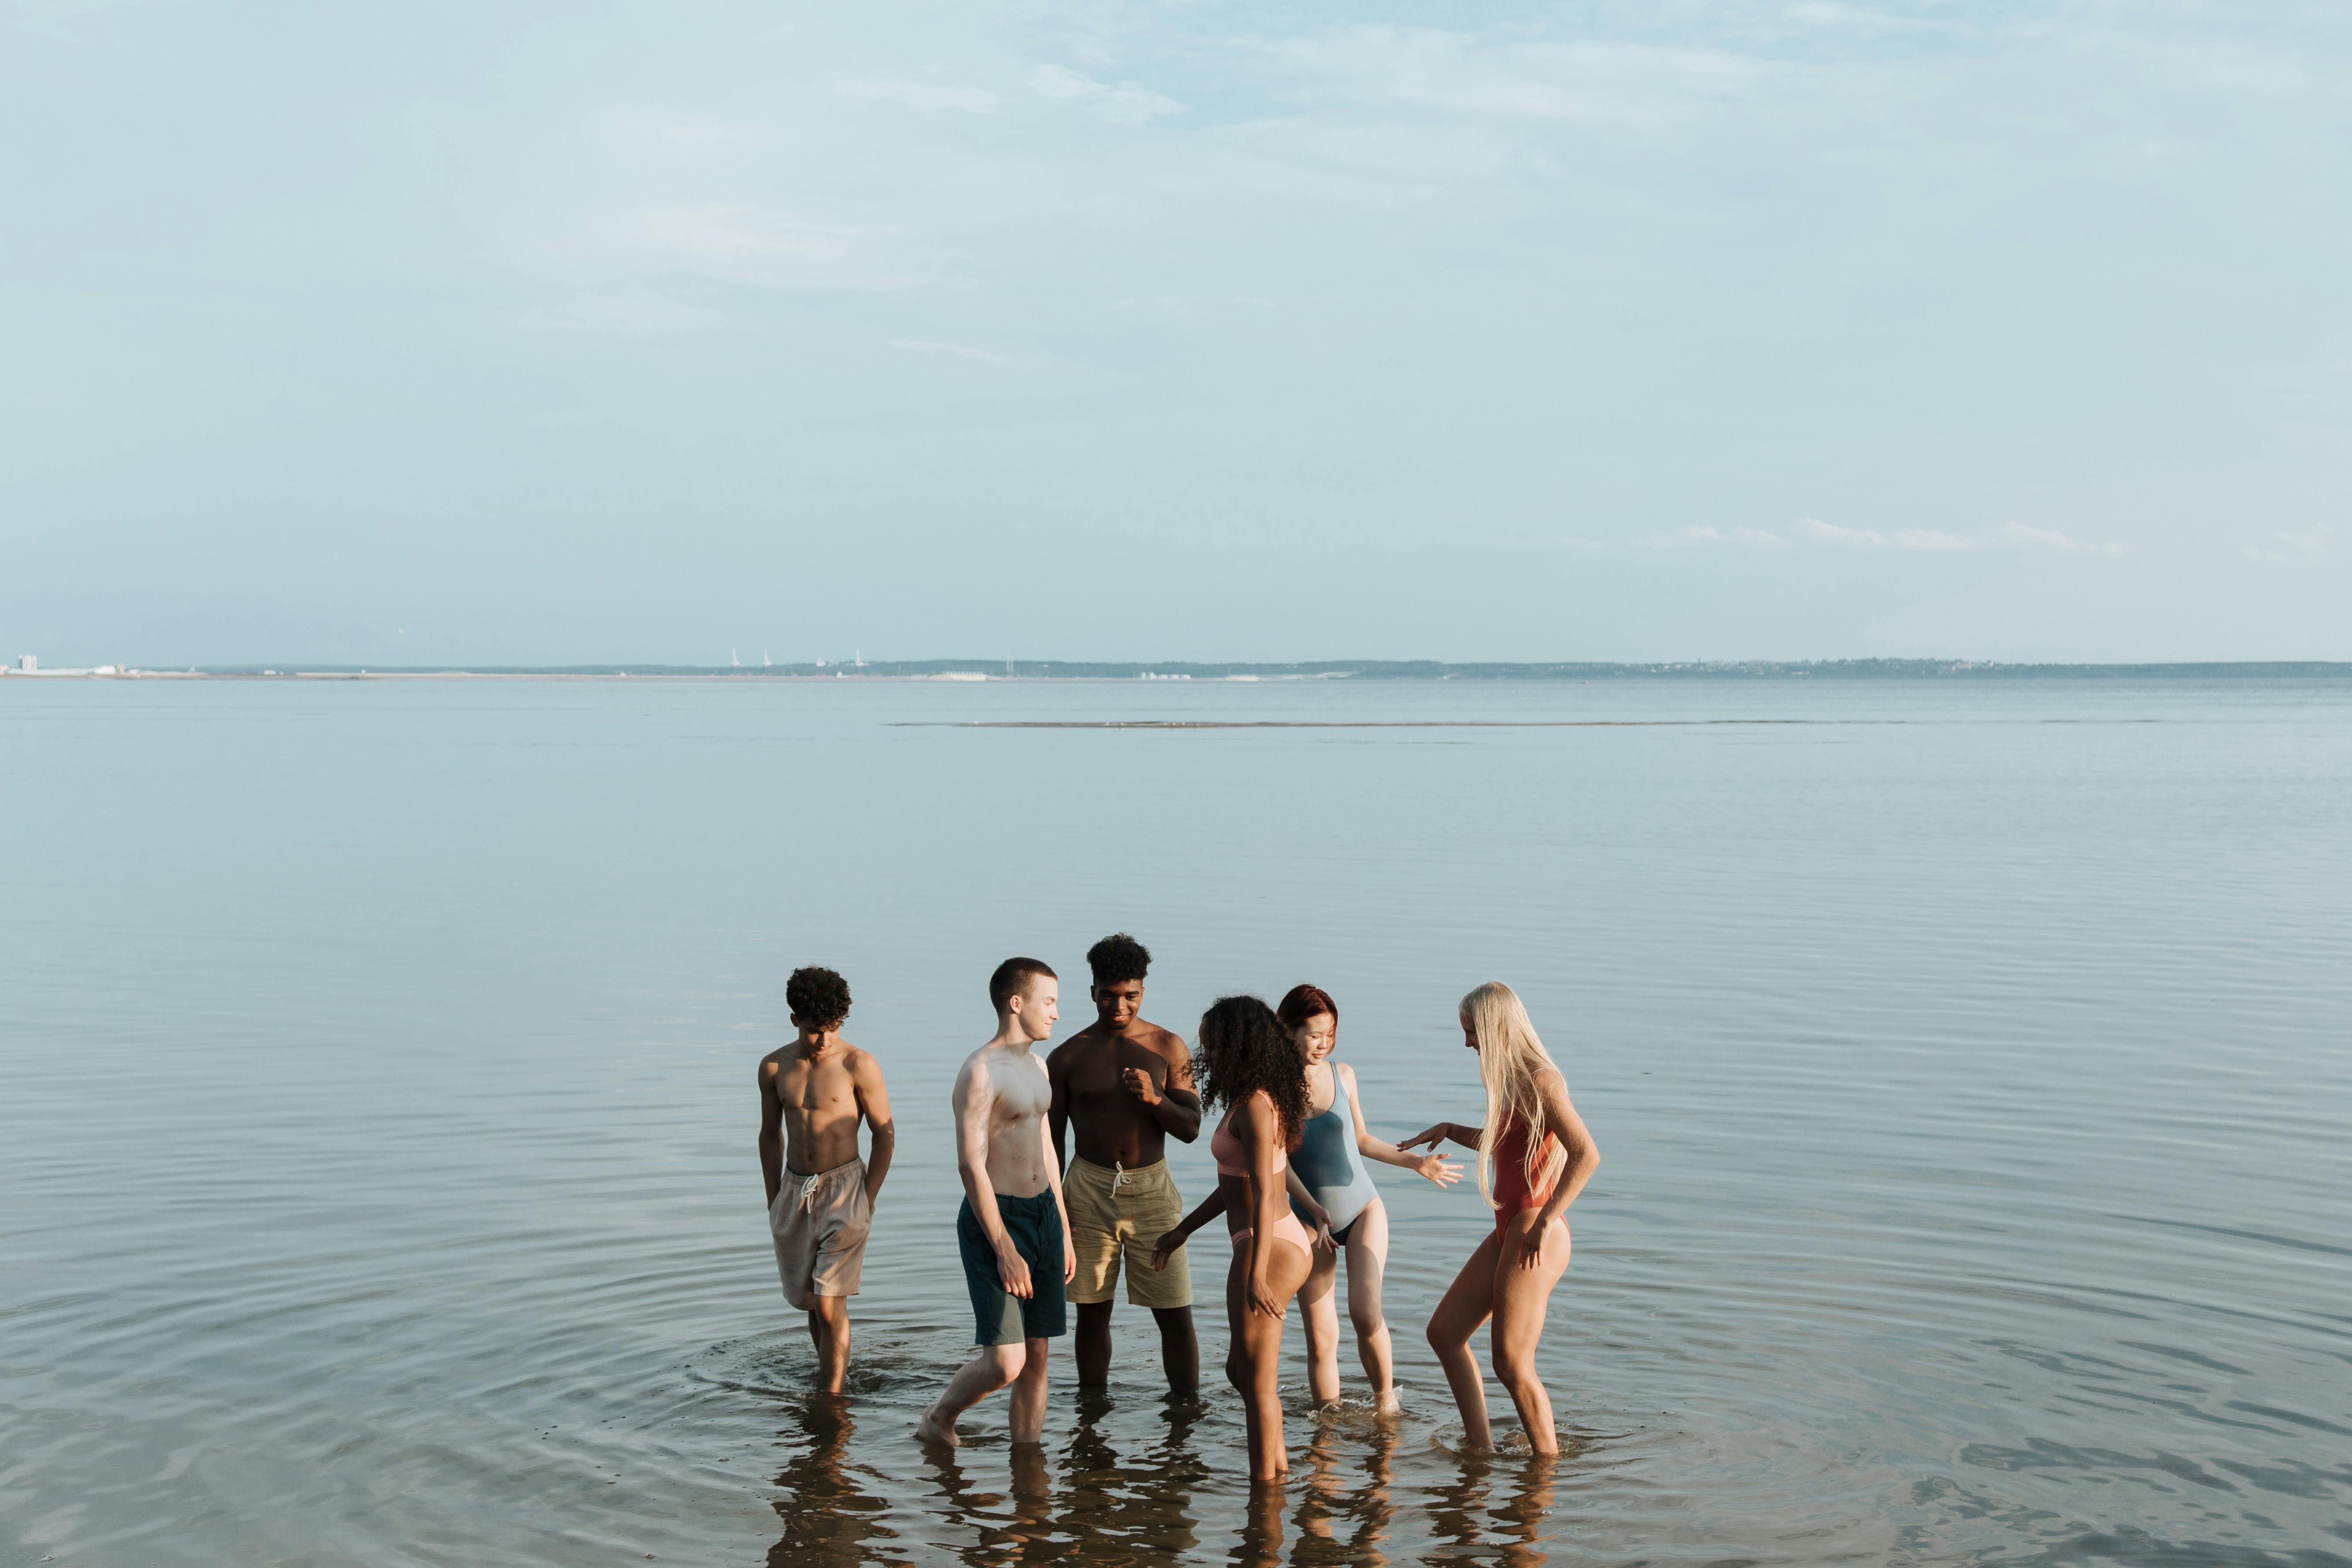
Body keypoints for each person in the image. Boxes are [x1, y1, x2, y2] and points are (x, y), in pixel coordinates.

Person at [1400, 983, 1600, 1455]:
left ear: (1493, 1027)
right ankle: (1480, 1449)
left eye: (1471, 1032)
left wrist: (1549, 1219)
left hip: (1535, 1226)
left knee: (1511, 1362)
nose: (1467, 1042)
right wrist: (1451, 1129)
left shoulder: (1543, 1080)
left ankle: (1544, 1468)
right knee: (1445, 1333)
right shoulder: (1509, 1079)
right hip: (1511, 1225)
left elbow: (1586, 1155)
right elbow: (1506, 1143)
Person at [1277, 984, 1463, 1413]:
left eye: (1330, 1033)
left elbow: (1361, 1139)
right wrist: (1317, 1214)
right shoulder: (1272, 1090)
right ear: (1286, 1032)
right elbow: (1278, 1165)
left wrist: (1416, 1162)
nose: (1324, 1043)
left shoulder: (1343, 1074)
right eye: (1313, 1034)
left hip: (1361, 1211)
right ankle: (1327, 1427)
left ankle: (1386, 1407)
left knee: (1364, 1312)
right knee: (1321, 1337)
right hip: (1307, 1218)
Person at [918, 958, 1076, 1448]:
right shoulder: (980, 1071)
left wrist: (1064, 1228)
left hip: (1044, 1214)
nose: (1055, 1013)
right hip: (997, 1219)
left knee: (1038, 1355)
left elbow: (1047, 1147)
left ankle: (1028, 1463)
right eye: (1047, 1002)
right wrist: (1004, 1247)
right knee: (1006, 1361)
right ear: (1017, 1003)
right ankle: (939, 1417)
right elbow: (970, 1164)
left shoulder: (1038, 1066)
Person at [1157, 995, 1316, 1482]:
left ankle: (1264, 1497)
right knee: (1242, 1372)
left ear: (1238, 1045)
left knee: (1255, 1378)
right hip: (1264, 1239)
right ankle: (1278, 1469)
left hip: (1268, 1244)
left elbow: (1268, 1192)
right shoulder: (1255, 1098)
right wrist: (1185, 1228)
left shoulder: (1254, 1104)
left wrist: (1254, 1271)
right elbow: (1237, 1182)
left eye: (1212, 1046)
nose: (1206, 1057)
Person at [1046, 933, 1202, 1396]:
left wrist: (1156, 1099)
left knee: (1174, 1312)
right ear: (1092, 991)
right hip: (1087, 1190)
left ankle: (1185, 1409)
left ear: (1143, 991)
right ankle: (1091, 1412)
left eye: (1130, 996)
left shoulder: (1169, 1047)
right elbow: (1051, 1141)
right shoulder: (1067, 1056)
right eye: (1108, 996)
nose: (1119, 1006)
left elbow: (1191, 1127)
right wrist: (1055, 1211)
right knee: (1092, 1312)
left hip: (1152, 1190)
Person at [757, 965, 895, 1395]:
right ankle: (829, 1379)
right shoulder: (775, 1067)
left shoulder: (858, 1064)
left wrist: (867, 1197)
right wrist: (774, 1198)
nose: (825, 1039)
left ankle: (832, 1400)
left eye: (833, 1028)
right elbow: (769, 1135)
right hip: (795, 1189)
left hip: (846, 1187)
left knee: (832, 1306)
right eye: (816, 1029)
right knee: (812, 1304)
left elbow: (885, 1133)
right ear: (794, 1018)